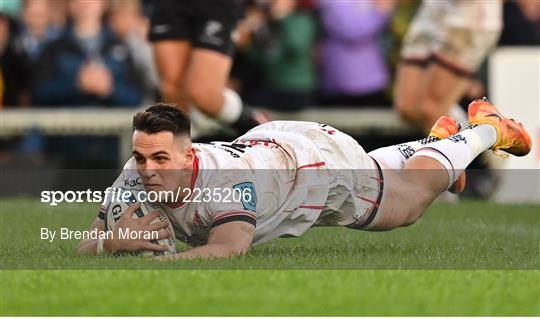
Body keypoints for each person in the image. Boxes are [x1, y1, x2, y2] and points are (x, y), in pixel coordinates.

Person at [76, 99, 531, 259]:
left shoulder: (223, 181)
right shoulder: (136, 171)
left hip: (312, 168)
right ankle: (435, 142)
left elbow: (229, 248)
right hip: (269, 146)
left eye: (161, 158)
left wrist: (158, 263)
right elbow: (89, 242)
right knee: (380, 177)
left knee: (407, 205)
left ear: (188, 154)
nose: (149, 169)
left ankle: (488, 129)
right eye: (141, 157)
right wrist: (110, 243)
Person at [146, 0, 268, 135]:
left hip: (215, 5)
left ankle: (252, 122)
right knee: (172, 89)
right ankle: (186, 144)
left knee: (203, 94)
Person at [394, 0, 503, 132]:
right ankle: (476, 136)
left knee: (432, 111)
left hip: (467, 13)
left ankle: (481, 142)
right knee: (409, 107)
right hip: (434, 9)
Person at [32, 0, 143, 107]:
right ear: (69, 4)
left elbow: (137, 96)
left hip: (112, 125)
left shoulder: (120, 48)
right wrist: (76, 86)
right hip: (67, 124)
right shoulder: (53, 49)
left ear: (103, 3)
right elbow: (38, 94)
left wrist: (110, 90)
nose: (84, 2)